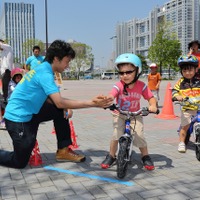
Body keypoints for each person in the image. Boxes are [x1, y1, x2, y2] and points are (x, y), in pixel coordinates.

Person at [0, 40, 113, 169]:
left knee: (60, 111)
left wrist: (66, 106)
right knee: (19, 162)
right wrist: (93, 103)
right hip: (17, 119)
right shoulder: (45, 73)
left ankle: (63, 150)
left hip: (30, 112)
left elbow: (51, 99)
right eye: (67, 61)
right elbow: (58, 102)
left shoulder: (44, 69)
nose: (68, 65)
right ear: (56, 59)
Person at [101, 53, 157, 170]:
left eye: (129, 72)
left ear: (137, 71)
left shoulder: (142, 86)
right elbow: (112, 94)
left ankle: (145, 156)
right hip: (120, 114)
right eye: (121, 73)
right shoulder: (119, 85)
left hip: (136, 115)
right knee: (116, 135)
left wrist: (152, 106)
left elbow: (150, 98)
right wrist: (108, 99)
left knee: (139, 135)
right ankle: (111, 155)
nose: (125, 75)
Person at [172, 55, 200, 153]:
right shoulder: (181, 82)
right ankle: (181, 143)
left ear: (195, 70)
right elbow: (174, 91)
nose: (187, 73)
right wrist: (177, 96)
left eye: (190, 70)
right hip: (187, 108)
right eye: (184, 71)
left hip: (199, 108)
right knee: (185, 126)